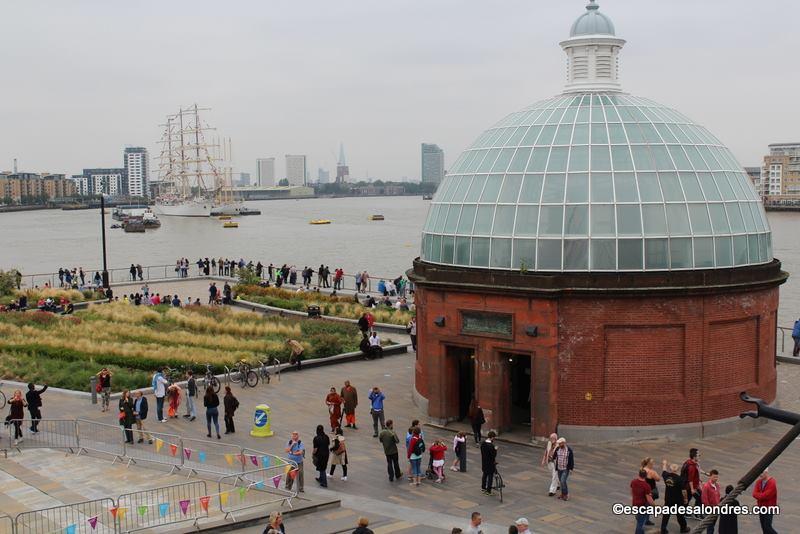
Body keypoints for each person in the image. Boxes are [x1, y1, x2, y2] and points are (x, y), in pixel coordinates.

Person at [661, 459, 690, 533]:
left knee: (666, 514)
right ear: (677, 470)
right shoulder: (680, 479)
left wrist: (664, 463)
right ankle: (683, 528)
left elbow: (664, 470)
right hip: (678, 500)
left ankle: (663, 529)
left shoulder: (666, 476)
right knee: (680, 515)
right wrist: (686, 499)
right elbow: (684, 491)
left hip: (668, 498)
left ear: (670, 469)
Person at [752, 469, 778, 534]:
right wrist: (761, 496)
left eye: (761, 473)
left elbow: (766, 496)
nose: (760, 475)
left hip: (769, 507)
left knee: (767, 526)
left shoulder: (772, 483)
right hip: (761, 507)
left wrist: (759, 495)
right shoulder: (758, 482)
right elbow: (754, 494)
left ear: (766, 472)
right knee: (763, 527)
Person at [631, 469, 654, 534]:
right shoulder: (646, 486)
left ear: (639, 474)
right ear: (646, 476)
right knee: (640, 523)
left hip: (635, 503)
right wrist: (654, 506)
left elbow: (632, 492)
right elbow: (649, 499)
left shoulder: (633, 482)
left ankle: (641, 532)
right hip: (642, 505)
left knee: (639, 519)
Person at [641, 457, 661, 526]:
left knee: (645, 505)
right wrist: (655, 472)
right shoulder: (652, 472)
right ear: (649, 464)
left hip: (643, 490)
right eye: (652, 463)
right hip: (651, 491)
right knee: (648, 505)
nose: (653, 464)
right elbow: (658, 479)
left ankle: (645, 519)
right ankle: (645, 520)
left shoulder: (642, 470)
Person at [701, 469, 721, 534]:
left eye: (717, 477)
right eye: (714, 477)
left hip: (716, 508)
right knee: (710, 526)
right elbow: (704, 499)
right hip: (710, 509)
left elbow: (718, 496)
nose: (716, 478)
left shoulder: (717, 485)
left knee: (713, 525)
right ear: (710, 476)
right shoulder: (706, 486)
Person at [480, 431, 497, 495]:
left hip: (484, 462)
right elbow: (493, 455)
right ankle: (488, 490)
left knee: (484, 474)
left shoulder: (483, 443)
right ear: (492, 437)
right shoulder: (491, 446)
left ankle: (483, 487)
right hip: (490, 463)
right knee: (490, 477)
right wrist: (495, 450)